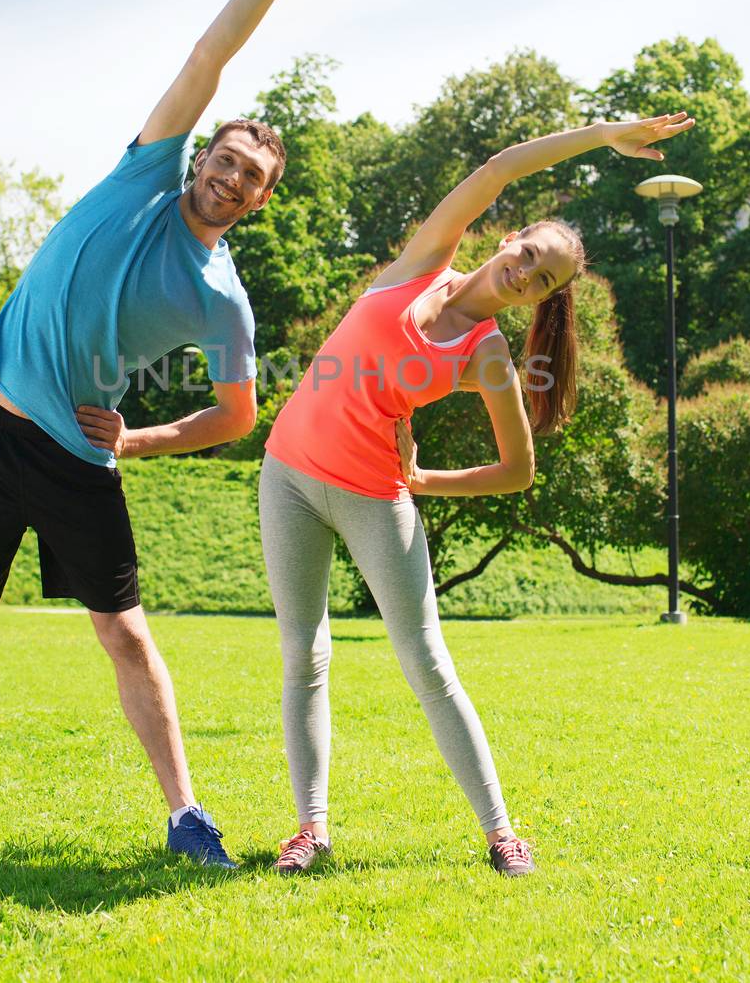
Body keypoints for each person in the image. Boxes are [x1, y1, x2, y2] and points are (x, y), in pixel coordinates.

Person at [0, 0, 370, 865]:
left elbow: (237, 413)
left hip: (71, 456)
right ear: (204, 155)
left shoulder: (220, 297)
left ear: (261, 200)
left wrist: (136, 439)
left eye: (248, 177)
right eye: (224, 158)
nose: (227, 177)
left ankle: (187, 814)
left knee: (125, 634)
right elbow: (208, 56)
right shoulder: (144, 172)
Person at [259, 110, 695, 876]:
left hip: (372, 494)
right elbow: (498, 166)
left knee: (427, 661)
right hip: (288, 474)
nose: (527, 271)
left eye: (544, 278)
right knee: (305, 653)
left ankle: (501, 833)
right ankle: (310, 828)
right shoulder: (427, 257)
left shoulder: (488, 354)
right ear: (507, 239)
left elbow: (516, 469)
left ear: (540, 298)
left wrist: (425, 480)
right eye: (529, 252)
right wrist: (603, 137)